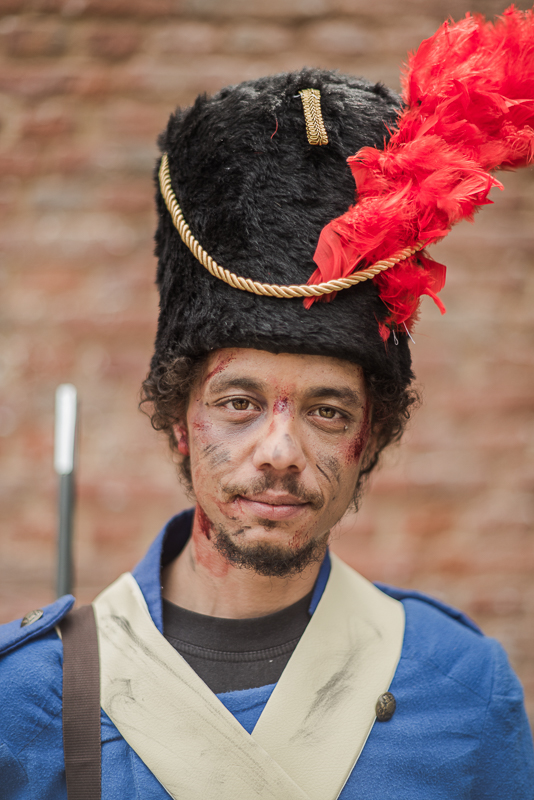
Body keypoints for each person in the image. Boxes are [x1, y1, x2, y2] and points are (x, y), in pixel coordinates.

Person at [1, 8, 534, 799]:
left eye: (327, 411)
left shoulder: (464, 687)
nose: (280, 452)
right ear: (180, 422)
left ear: (371, 436)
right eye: (239, 402)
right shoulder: (25, 698)